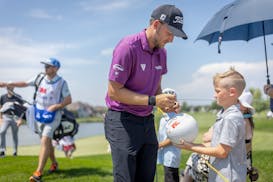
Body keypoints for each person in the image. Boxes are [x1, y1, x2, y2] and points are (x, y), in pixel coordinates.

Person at [104, 4, 187, 182]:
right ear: (156, 24)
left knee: (147, 177)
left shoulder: (161, 53)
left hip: (146, 122)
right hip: (122, 121)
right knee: (126, 178)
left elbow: (156, 87)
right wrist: (153, 100)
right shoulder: (127, 47)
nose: (172, 39)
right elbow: (114, 92)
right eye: (170, 33)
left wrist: (166, 103)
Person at [176, 67, 247, 182]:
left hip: (228, 177)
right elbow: (215, 146)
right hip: (218, 176)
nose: (215, 95)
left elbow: (221, 152)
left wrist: (190, 147)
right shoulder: (224, 114)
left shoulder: (231, 118)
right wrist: (190, 144)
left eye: (217, 91)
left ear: (232, 92)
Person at [8, 58, 72, 182]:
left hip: (54, 116)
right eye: (45, 66)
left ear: (56, 68)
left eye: (49, 66)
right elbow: (25, 83)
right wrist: (9, 84)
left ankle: (38, 173)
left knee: (45, 140)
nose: (46, 68)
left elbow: (68, 100)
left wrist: (56, 106)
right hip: (39, 115)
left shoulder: (62, 83)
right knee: (46, 143)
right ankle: (54, 163)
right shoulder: (40, 78)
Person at [157, 88, 181, 182]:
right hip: (166, 155)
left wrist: (158, 146)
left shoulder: (174, 118)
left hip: (171, 155)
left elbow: (172, 138)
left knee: (171, 178)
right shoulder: (165, 117)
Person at [0, 85, 24, 157]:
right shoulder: (3, 97)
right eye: (8, 87)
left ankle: (15, 152)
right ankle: (2, 151)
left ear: (13, 88)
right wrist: (0, 118)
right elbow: (0, 108)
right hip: (6, 117)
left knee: (14, 135)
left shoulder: (18, 97)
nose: (9, 88)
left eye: (11, 87)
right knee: (2, 132)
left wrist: (20, 119)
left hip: (15, 118)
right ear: (6, 88)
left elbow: (22, 109)